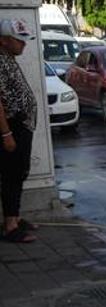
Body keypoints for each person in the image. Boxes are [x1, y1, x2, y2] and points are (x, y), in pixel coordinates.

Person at [0, 19, 38, 243]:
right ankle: (10, 225)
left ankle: (15, 215)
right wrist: (6, 134)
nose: (23, 45)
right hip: (11, 126)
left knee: (19, 171)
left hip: (21, 125)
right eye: (18, 40)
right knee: (12, 173)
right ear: (3, 40)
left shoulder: (8, 58)